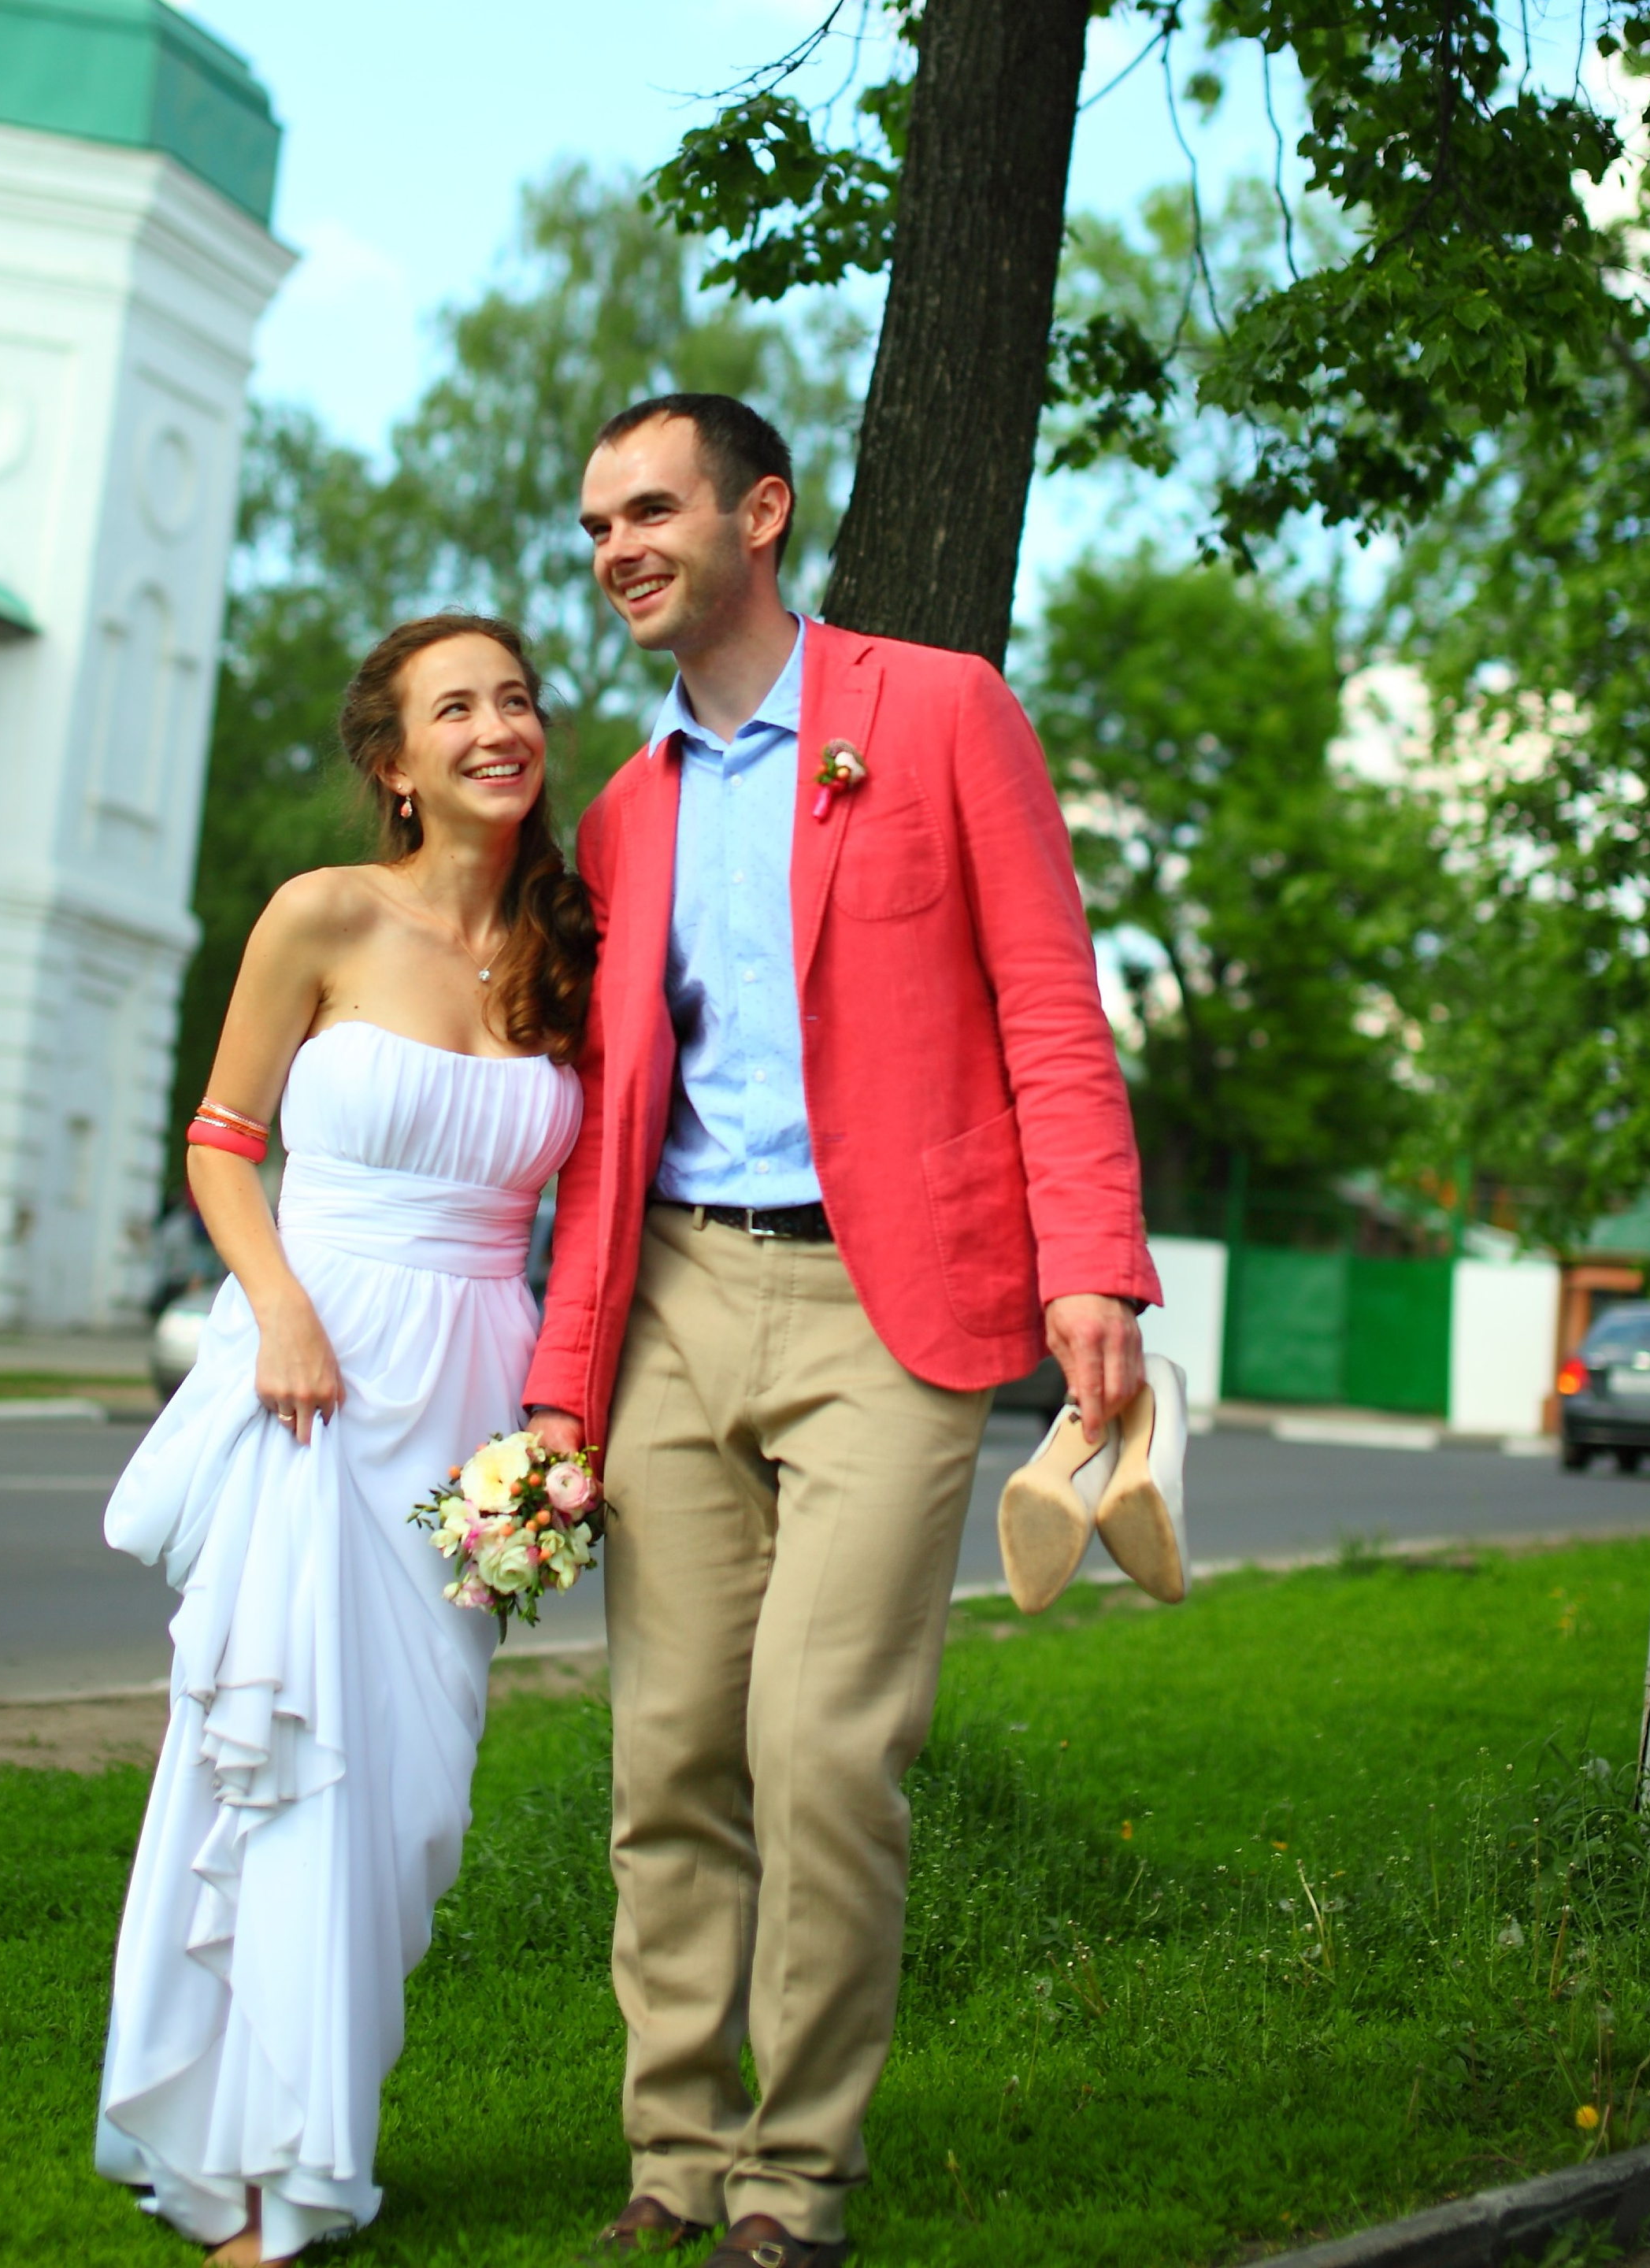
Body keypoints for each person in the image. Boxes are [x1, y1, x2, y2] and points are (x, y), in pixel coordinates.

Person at [525, 395, 1163, 2267]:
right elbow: (600, 1121)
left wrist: (1091, 1261)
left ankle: (792, 2180)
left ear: (761, 514)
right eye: (591, 525)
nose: (617, 547)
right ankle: (673, 2151)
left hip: (889, 1304)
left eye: (650, 509)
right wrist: (562, 1387)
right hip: (670, 1299)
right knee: (663, 1751)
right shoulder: (621, 810)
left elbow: (1048, 1000)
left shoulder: (937, 708)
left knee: (817, 1745)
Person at [95, 614, 594, 2265]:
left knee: (414, 1799)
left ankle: (307, 2130)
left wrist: (559, 1417)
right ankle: (255, 2173)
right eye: (454, 707)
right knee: (283, 1753)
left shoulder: (564, 945)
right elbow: (223, 1142)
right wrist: (283, 1312)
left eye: (514, 698)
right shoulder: (319, 913)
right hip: (310, 1374)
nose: (495, 727)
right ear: (392, 761)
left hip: (478, 1407)